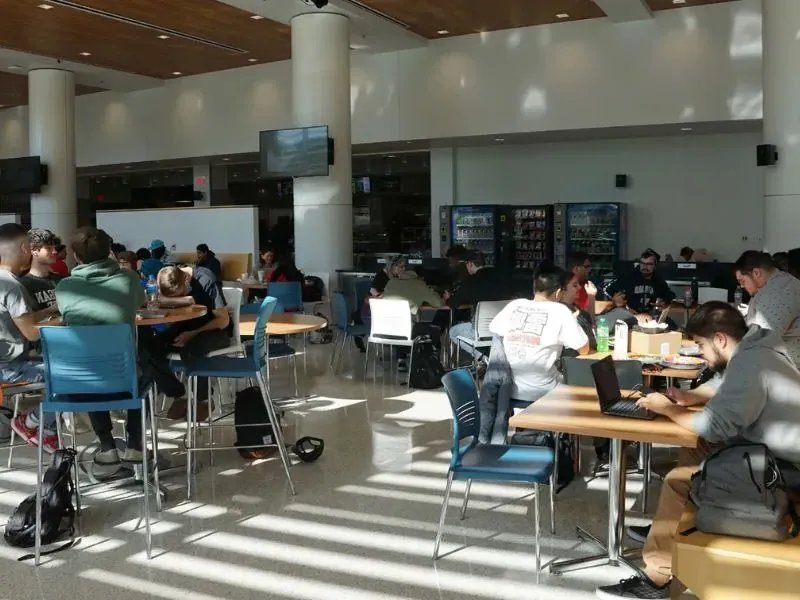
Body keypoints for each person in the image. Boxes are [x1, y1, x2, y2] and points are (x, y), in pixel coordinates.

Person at [597, 302, 800, 599]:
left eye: (701, 346)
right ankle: (669, 527)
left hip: (785, 472)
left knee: (680, 481)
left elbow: (714, 425)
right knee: (698, 449)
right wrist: (687, 396)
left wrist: (668, 410)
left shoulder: (752, 363)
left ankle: (657, 580)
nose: (701, 354)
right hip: (776, 455)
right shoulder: (757, 351)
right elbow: (722, 384)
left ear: (720, 339)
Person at [55, 227, 149, 465]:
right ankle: (135, 443)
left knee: (91, 361)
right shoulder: (128, 279)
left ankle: (107, 445)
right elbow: (141, 303)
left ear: (75, 256)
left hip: (76, 386)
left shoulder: (64, 287)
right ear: (110, 252)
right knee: (147, 367)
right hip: (124, 383)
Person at [489, 265, 589, 404]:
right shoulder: (560, 311)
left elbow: (495, 330)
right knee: (585, 385)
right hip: (545, 391)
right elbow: (584, 349)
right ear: (559, 292)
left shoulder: (515, 305)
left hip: (507, 389)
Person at [0, 224, 59, 453]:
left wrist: (49, 311)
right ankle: (32, 422)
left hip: (7, 363)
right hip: (11, 367)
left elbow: (21, 318)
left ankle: (47, 430)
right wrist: (63, 320)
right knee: (72, 375)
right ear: (25, 248)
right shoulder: (12, 286)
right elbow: (32, 332)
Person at [156, 264, 231, 421]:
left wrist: (192, 334)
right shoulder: (169, 277)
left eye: (179, 294)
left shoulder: (206, 281)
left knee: (190, 349)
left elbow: (223, 320)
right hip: (182, 329)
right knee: (151, 347)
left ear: (187, 279)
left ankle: (203, 399)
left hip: (212, 331)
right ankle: (178, 394)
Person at [734, 250, 800, 366]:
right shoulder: (777, 283)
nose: (742, 286)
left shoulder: (778, 292)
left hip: (788, 370)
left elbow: (762, 340)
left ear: (756, 273)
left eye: (742, 281)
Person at [447, 250, 512, 361]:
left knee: (454, 331)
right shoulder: (501, 280)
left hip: (480, 331)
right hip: (503, 329)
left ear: (470, 264)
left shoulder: (470, 282)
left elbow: (453, 303)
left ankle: (483, 357)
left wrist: (448, 297)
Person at [606, 249, 675, 315]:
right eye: (642, 263)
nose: (645, 267)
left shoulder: (658, 280)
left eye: (649, 264)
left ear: (654, 266)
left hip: (650, 316)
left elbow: (670, 295)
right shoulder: (628, 277)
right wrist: (616, 302)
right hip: (629, 315)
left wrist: (665, 302)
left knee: (672, 325)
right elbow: (606, 289)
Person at [21, 228, 61, 312]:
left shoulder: (61, 279)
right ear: (33, 250)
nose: (54, 252)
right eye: (49, 248)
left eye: (55, 248)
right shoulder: (24, 285)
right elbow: (28, 319)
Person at [566, 251, 596, 317]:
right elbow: (586, 309)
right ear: (576, 269)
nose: (590, 269)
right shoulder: (569, 287)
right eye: (587, 266)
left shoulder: (585, 283)